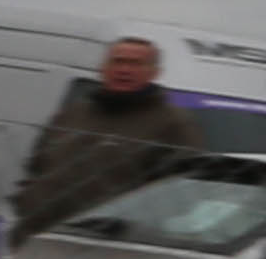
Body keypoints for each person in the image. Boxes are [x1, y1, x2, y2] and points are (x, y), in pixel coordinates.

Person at [14, 37, 199, 237]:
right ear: (102, 68)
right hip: (35, 231)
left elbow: (185, 188)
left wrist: (130, 221)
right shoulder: (73, 113)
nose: (124, 70)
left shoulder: (173, 124)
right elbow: (36, 165)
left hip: (106, 240)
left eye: (135, 63)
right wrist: (26, 200)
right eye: (118, 61)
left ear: (155, 73)